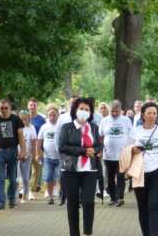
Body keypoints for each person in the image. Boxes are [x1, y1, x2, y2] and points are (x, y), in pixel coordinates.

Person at [59, 97, 103, 236]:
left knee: (88, 201)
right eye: (81, 109)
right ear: (75, 110)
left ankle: (87, 232)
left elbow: (99, 144)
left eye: (87, 109)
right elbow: (62, 147)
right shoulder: (67, 127)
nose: (84, 111)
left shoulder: (94, 128)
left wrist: (94, 150)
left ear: (91, 113)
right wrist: (83, 150)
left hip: (90, 170)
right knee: (72, 204)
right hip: (71, 170)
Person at [129, 102, 158, 236]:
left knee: (154, 205)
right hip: (139, 172)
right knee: (143, 207)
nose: (152, 115)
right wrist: (133, 150)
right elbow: (126, 151)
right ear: (143, 114)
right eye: (149, 113)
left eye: (154, 113)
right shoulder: (135, 130)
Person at [0, 98, 26, 210]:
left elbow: (20, 137)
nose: (4, 110)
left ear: (10, 108)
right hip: (0, 152)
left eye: (6, 108)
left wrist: (23, 151)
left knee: (13, 179)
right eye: (1, 108)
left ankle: (11, 200)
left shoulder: (16, 119)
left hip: (13, 151)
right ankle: (0, 202)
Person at [99, 100, 132, 207]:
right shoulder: (104, 121)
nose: (114, 114)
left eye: (116, 111)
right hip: (108, 155)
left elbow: (131, 136)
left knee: (121, 177)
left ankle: (120, 197)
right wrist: (100, 149)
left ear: (120, 110)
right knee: (110, 178)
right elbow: (100, 136)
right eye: (112, 111)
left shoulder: (126, 120)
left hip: (122, 154)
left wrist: (129, 149)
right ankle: (113, 198)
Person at [55, 95, 78, 205]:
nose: (73, 104)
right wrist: (58, 148)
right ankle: (63, 195)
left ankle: (77, 198)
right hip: (65, 151)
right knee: (64, 173)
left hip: (78, 151)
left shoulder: (83, 116)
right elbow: (57, 133)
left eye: (76, 102)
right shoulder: (63, 117)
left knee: (78, 173)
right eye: (72, 102)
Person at [17, 110, 37, 203]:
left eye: (26, 118)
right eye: (22, 118)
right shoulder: (16, 127)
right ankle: (15, 195)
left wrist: (30, 154)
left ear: (29, 119)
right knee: (17, 177)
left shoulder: (31, 128)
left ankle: (24, 196)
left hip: (27, 156)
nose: (24, 120)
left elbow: (33, 144)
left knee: (25, 177)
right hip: (16, 156)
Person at [28, 98, 46, 197]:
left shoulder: (41, 119)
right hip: (27, 148)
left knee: (37, 169)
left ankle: (35, 187)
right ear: (28, 106)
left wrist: (42, 148)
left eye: (34, 105)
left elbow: (44, 134)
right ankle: (27, 188)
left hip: (38, 148)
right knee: (27, 169)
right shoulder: (24, 118)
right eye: (31, 105)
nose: (32, 107)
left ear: (37, 106)